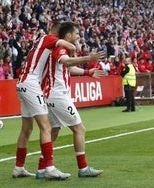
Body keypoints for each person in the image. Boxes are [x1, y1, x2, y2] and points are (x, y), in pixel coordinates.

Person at [12, 22, 81, 180]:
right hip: (31, 83)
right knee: (46, 126)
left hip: (22, 83)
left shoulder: (41, 41)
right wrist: (73, 47)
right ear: (57, 31)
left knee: (27, 129)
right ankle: (49, 168)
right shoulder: (48, 38)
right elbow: (68, 45)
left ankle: (19, 168)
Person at [36, 21, 104, 179]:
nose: (79, 37)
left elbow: (69, 67)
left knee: (53, 131)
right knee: (79, 129)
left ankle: (41, 169)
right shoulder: (60, 48)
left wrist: (88, 72)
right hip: (57, 95)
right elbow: (66, 62)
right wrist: (88, 58)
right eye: (77, 34)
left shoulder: (64, 49)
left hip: (52, 94)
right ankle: (83, 168)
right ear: (68, 36)